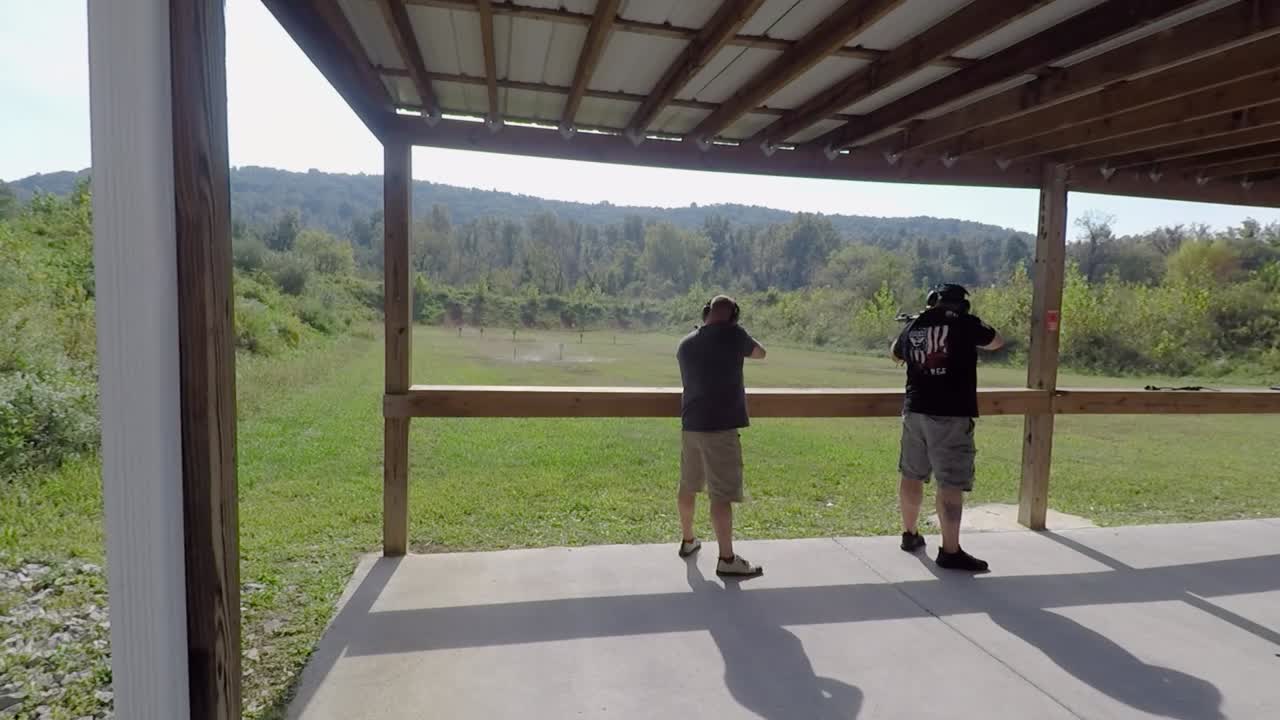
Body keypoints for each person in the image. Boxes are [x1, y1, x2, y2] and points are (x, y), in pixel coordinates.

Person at [891, 283, 1004, 572]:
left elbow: (895, 352)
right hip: (951, 413)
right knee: (950, 483)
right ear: (961, 304)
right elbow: (996, 342)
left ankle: (910, 534)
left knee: (911, 474)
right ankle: (950, 551)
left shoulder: (916, 324)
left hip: (915, 410)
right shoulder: (966, 324)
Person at [676, 295, 767, 577]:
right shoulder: (734, 336)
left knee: (688, 485)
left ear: (706, 313)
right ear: (733, 317)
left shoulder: (686, 343)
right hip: (721, 427)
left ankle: (688, 540)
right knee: (721, 495)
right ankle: (726, 559)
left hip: (691, 425)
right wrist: (735, 330)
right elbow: (760, 353)